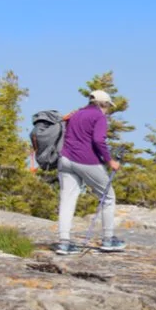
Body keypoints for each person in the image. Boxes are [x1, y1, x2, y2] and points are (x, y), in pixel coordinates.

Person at [55, 90, 123, 255]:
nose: (107, 110)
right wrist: (110, 161)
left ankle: (64, 242)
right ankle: (108, 239)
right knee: (107, 197)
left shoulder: (76, 114)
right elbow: (98, 140)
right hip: (86, 160)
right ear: (103, 104)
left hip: (65, 159)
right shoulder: (99, 116)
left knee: (67, 200)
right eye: (107, 106)